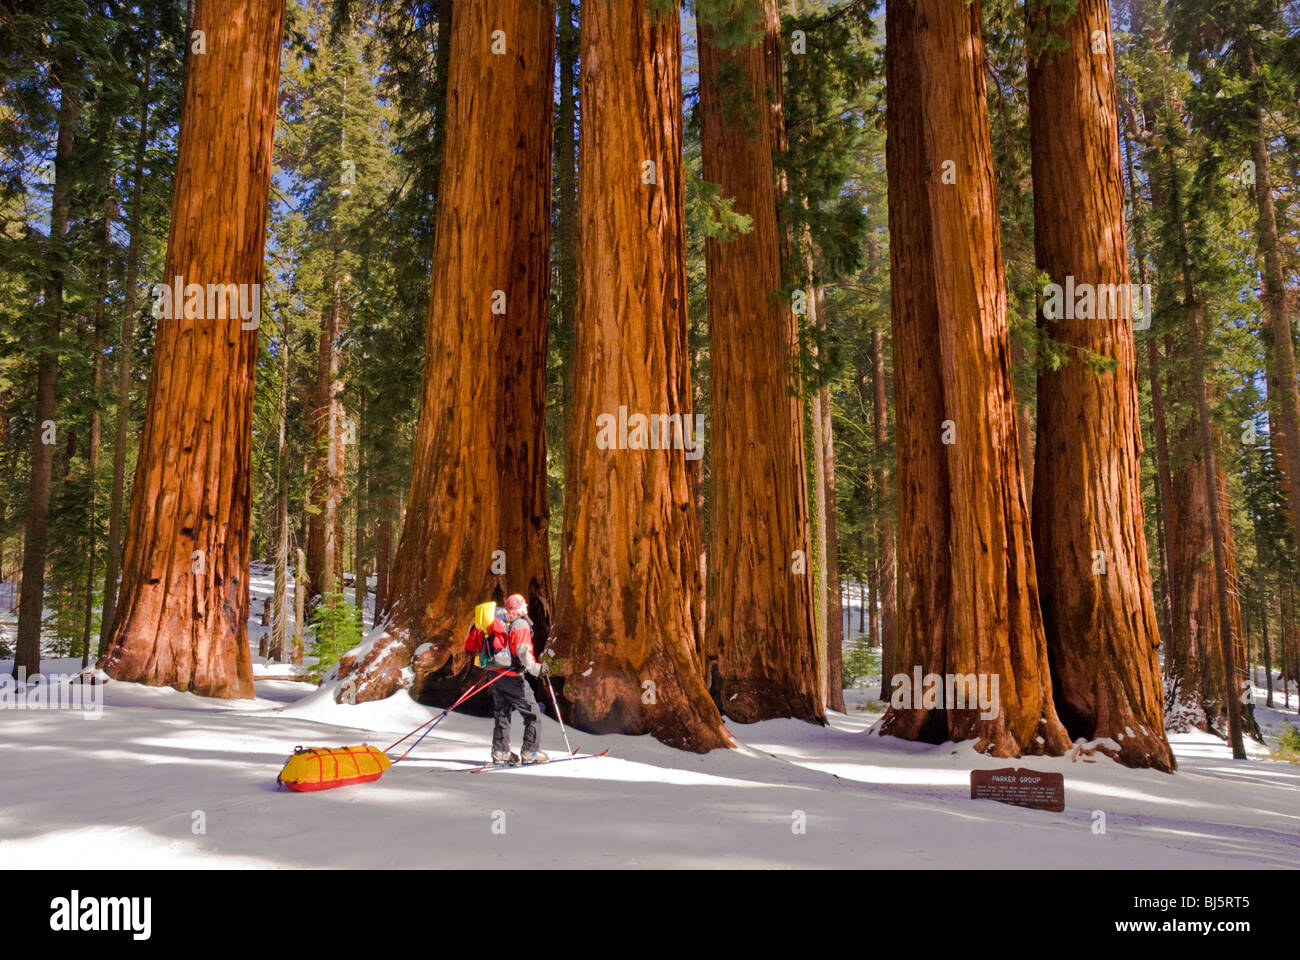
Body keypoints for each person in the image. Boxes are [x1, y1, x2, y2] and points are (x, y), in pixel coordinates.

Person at [489, 593, 549, 765]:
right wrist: (537, 669)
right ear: (520, 607)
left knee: (502, 711)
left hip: (496, 674)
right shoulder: (520, 624)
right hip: (512, 676)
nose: (526, 608)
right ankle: (530, 751)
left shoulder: (502, 622)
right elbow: (523, 653)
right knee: (533, 713)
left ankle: (501, 751)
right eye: (524, 605)